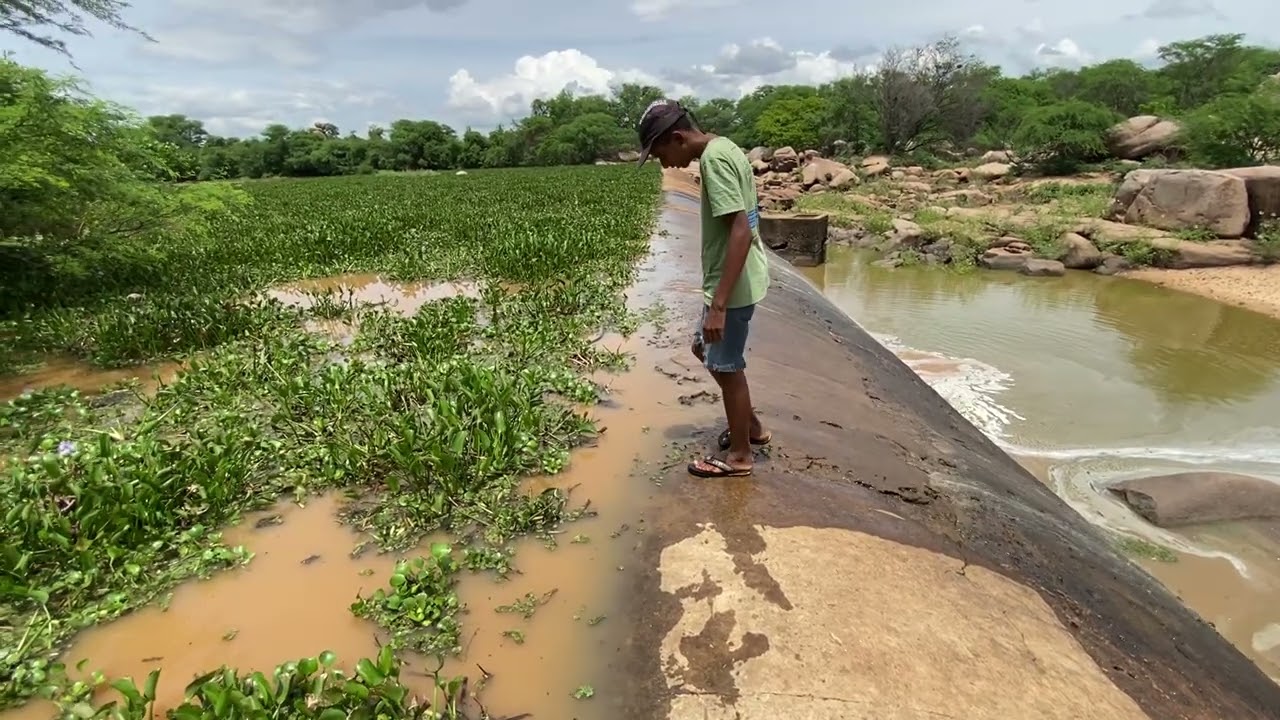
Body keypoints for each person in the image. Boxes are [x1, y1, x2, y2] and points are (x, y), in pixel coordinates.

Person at [635, 99, 771, 478]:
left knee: (727, 366)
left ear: (677, 138)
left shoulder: (713, 162)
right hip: (731, 281)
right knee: (703, 347)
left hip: (734, 287)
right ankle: (753, 427)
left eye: (660, 153)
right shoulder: (725, 146)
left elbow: (740, 230)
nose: (664, 164)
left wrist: (719, 306)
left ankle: (742, 456)